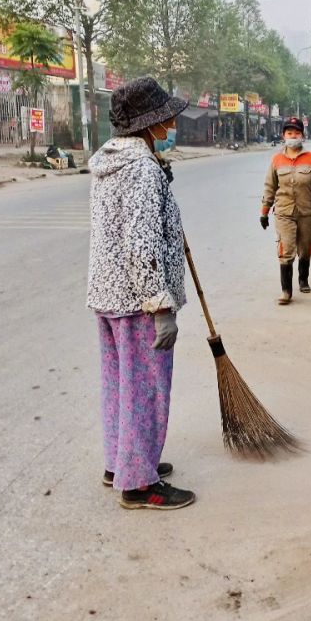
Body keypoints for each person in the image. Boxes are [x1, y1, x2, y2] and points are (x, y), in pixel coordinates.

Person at [87, 76, 196, 510]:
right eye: (166, 117)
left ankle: (121, 463)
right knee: (146, 391)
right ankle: (138, 484)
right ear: (149, 123)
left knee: (120, 386)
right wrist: (160, 306)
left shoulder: (111, 162)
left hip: (109, 294)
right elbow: (141, 243)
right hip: (137, 302)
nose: (172, 124)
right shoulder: (142, 170)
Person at [260, 116, 311, 304]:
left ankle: (303, 278)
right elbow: (269, 186)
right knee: (286, 249)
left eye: (297, 133)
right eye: (289, 133)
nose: (293, 136)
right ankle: (286, 291)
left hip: (307, 211)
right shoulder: (276, 160)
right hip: (284, 212)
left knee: (305, 248)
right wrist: (264, 212)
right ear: (283, 136)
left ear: (302, 136)